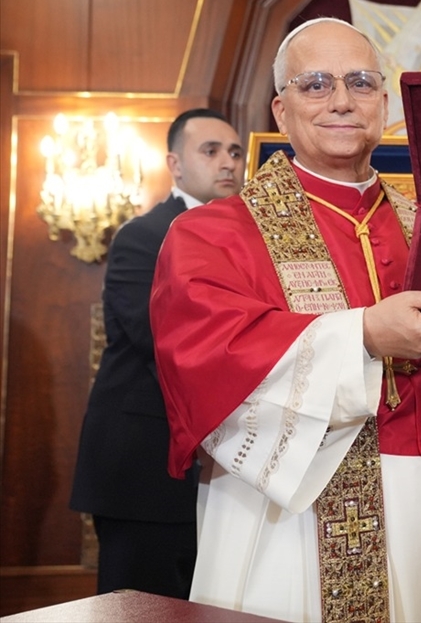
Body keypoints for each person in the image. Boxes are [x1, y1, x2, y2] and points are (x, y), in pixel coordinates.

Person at [150, 17, 421, 623]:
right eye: (315, 84)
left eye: (361, 83)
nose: (342, 101)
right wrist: (365, 335)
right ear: (281, 109)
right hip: (295, 518)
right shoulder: (211, 234)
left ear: (384, 103)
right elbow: (202, 366)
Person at [69, 109, 245, 598]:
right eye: (210, 151)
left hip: (225, 472)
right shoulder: (143, 237)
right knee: (140, 607)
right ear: (176, 164)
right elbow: (164, 339)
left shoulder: (249, 242)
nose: (227, 162)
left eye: (234, 152)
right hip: (144, 466)